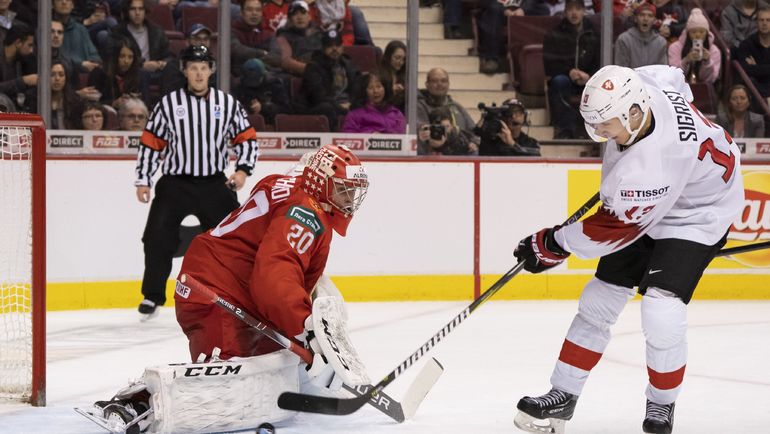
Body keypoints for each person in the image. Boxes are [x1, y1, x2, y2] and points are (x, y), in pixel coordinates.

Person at [512, 65, 744, 434]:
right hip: (666, 193)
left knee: (661, 309)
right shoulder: (644, 83)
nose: (598, 133)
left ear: (635, 113)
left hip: (698, 213)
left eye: (606, 124)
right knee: (599, 299)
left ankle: (661, 405)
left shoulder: (653, 164)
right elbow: (676, 76)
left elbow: (614, 229)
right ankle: (563, 393)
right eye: (594, 123)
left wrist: (553, 243)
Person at [133, 45, 259, 319]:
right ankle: (152, 295)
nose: (199, 73)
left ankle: (236, 291)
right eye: (193, 68)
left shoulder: (226, 104)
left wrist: (242, 171)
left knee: (232, 239)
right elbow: (151, 143)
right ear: (185, 71)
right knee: (156, 237)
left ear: (211, 70)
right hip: (175, 183)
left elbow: (247, 138)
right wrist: (143, 180)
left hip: (214, 184)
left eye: (203, 68)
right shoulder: (168, 104)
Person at [543, 0, 600, 139]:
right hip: (566, 80)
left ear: (584, 11)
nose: (574, 13)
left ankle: (596, 132)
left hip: (589, 81)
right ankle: (565, 130)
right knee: (559, 82)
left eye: (578, 9)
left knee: (601, 85)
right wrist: (568, 71)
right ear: (565, 12)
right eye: (570, 9)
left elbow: (602, 63)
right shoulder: (555, 34)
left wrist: (589, 76)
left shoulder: (595, 34)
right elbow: (549, 63)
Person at [300, 29, 359, 131]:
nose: (334, 49)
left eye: (337, 45)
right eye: (330, 46)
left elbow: (357, 89)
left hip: (347, 104)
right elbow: (318, 96)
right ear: (323, 48)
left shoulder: (348, 65)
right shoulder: (314, 67)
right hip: (324, 106)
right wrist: (340, 107)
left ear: (342, 47)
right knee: (327, 108)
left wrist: (352, 104)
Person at [417, 67, 479, 144]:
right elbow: (422, 132)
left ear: (448, 84)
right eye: (434, 81)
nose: (439, 84)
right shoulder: (419, 106)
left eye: (443, 81)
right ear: (427, 84)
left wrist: (473, 143)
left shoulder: (456, 107)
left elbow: (473, 132)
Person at [667, 8, 721, 85]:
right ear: (688, 33)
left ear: (707, 33)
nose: (698, 35)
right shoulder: (675, 47)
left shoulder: (714, 50)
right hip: (680, 88)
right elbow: (673, 76)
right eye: (694, 32)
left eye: (702, 32)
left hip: (704, 89)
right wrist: (686, 61)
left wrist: (707, 62)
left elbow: (711, 79)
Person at [160, 23, 217, 94]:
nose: (202, 42)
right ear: (187, 41)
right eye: (197, 39)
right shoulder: (173, 67)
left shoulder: (215, 66)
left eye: (205, 39)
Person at [233, 58, 292, 125]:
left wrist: (263, 108)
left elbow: (286, 109)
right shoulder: (239, 86)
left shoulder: (275, 84)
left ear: (263, 75)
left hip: (269, 122)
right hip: (244, 122)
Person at [232, 0, 282, 76]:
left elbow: (276, 57)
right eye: (249, 9)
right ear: (242, 12)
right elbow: (237, 50)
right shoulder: (232, 31)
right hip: (241, 76)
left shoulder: (268, 33)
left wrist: (255, 63)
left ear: (262, 13)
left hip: (267, 74)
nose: (254, 13)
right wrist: (262, 53)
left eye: (258, 10)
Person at [87, 37, 142, 107]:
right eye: (122, 56)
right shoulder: (98, 73)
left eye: (130, 57)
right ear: (114, 57)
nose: (126, 61)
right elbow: (91, 103)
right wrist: (113, 103)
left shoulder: (137, 75)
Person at [476, 98, 540, 156]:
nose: (513, 116)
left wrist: (512, 144)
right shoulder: (491, 140)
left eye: (518, 112)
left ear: (525, 117)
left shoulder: (530, 143)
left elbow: (535, 159)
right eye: (508, 113)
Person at [614, 1, 668, 69]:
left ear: (654, 20)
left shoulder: (661, 42)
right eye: (642, 15)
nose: (645, 19)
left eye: (650, 16)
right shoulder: (624, 39)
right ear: (635, 19)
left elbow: (663, 70)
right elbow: (621, 69)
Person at [276, 0, 323, 76]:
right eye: (295, 14)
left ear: (309, 17)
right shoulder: (283, 36)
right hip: (301, 75)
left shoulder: (319, 33)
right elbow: (285, 61)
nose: (299, 17)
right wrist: (311, 70)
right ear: (290, 19)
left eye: (303, 13)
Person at [54, 0, 102, 73]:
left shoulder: (81, 29)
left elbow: (95, 56)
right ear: (52, 4)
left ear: (72, 5)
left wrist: (93, 62)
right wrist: (79, 64)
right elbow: (53, 57)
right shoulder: (47, 30)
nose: (64, 2)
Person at [478, 0, 525, 74]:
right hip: (498, 10)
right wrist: (504, 10)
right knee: (494, 10)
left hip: (522, 7)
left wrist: (523, 9)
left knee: (543, 9)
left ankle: (536, 60)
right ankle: (492, 58)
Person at [736, 6, 770, 101]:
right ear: (756, 22)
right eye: (761, 20)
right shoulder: (746, 45)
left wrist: (757, 67)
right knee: (749, 82)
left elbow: (753, 70)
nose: (764, 23)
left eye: (768, 20)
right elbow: (746, 71)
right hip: (755, 89)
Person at [379, 40, 406, 113]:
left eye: (403, 59)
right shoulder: (378, 74)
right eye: (397, 58)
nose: (401, 62)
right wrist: (390, 91)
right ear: (388, 56)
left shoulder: (404, 76)